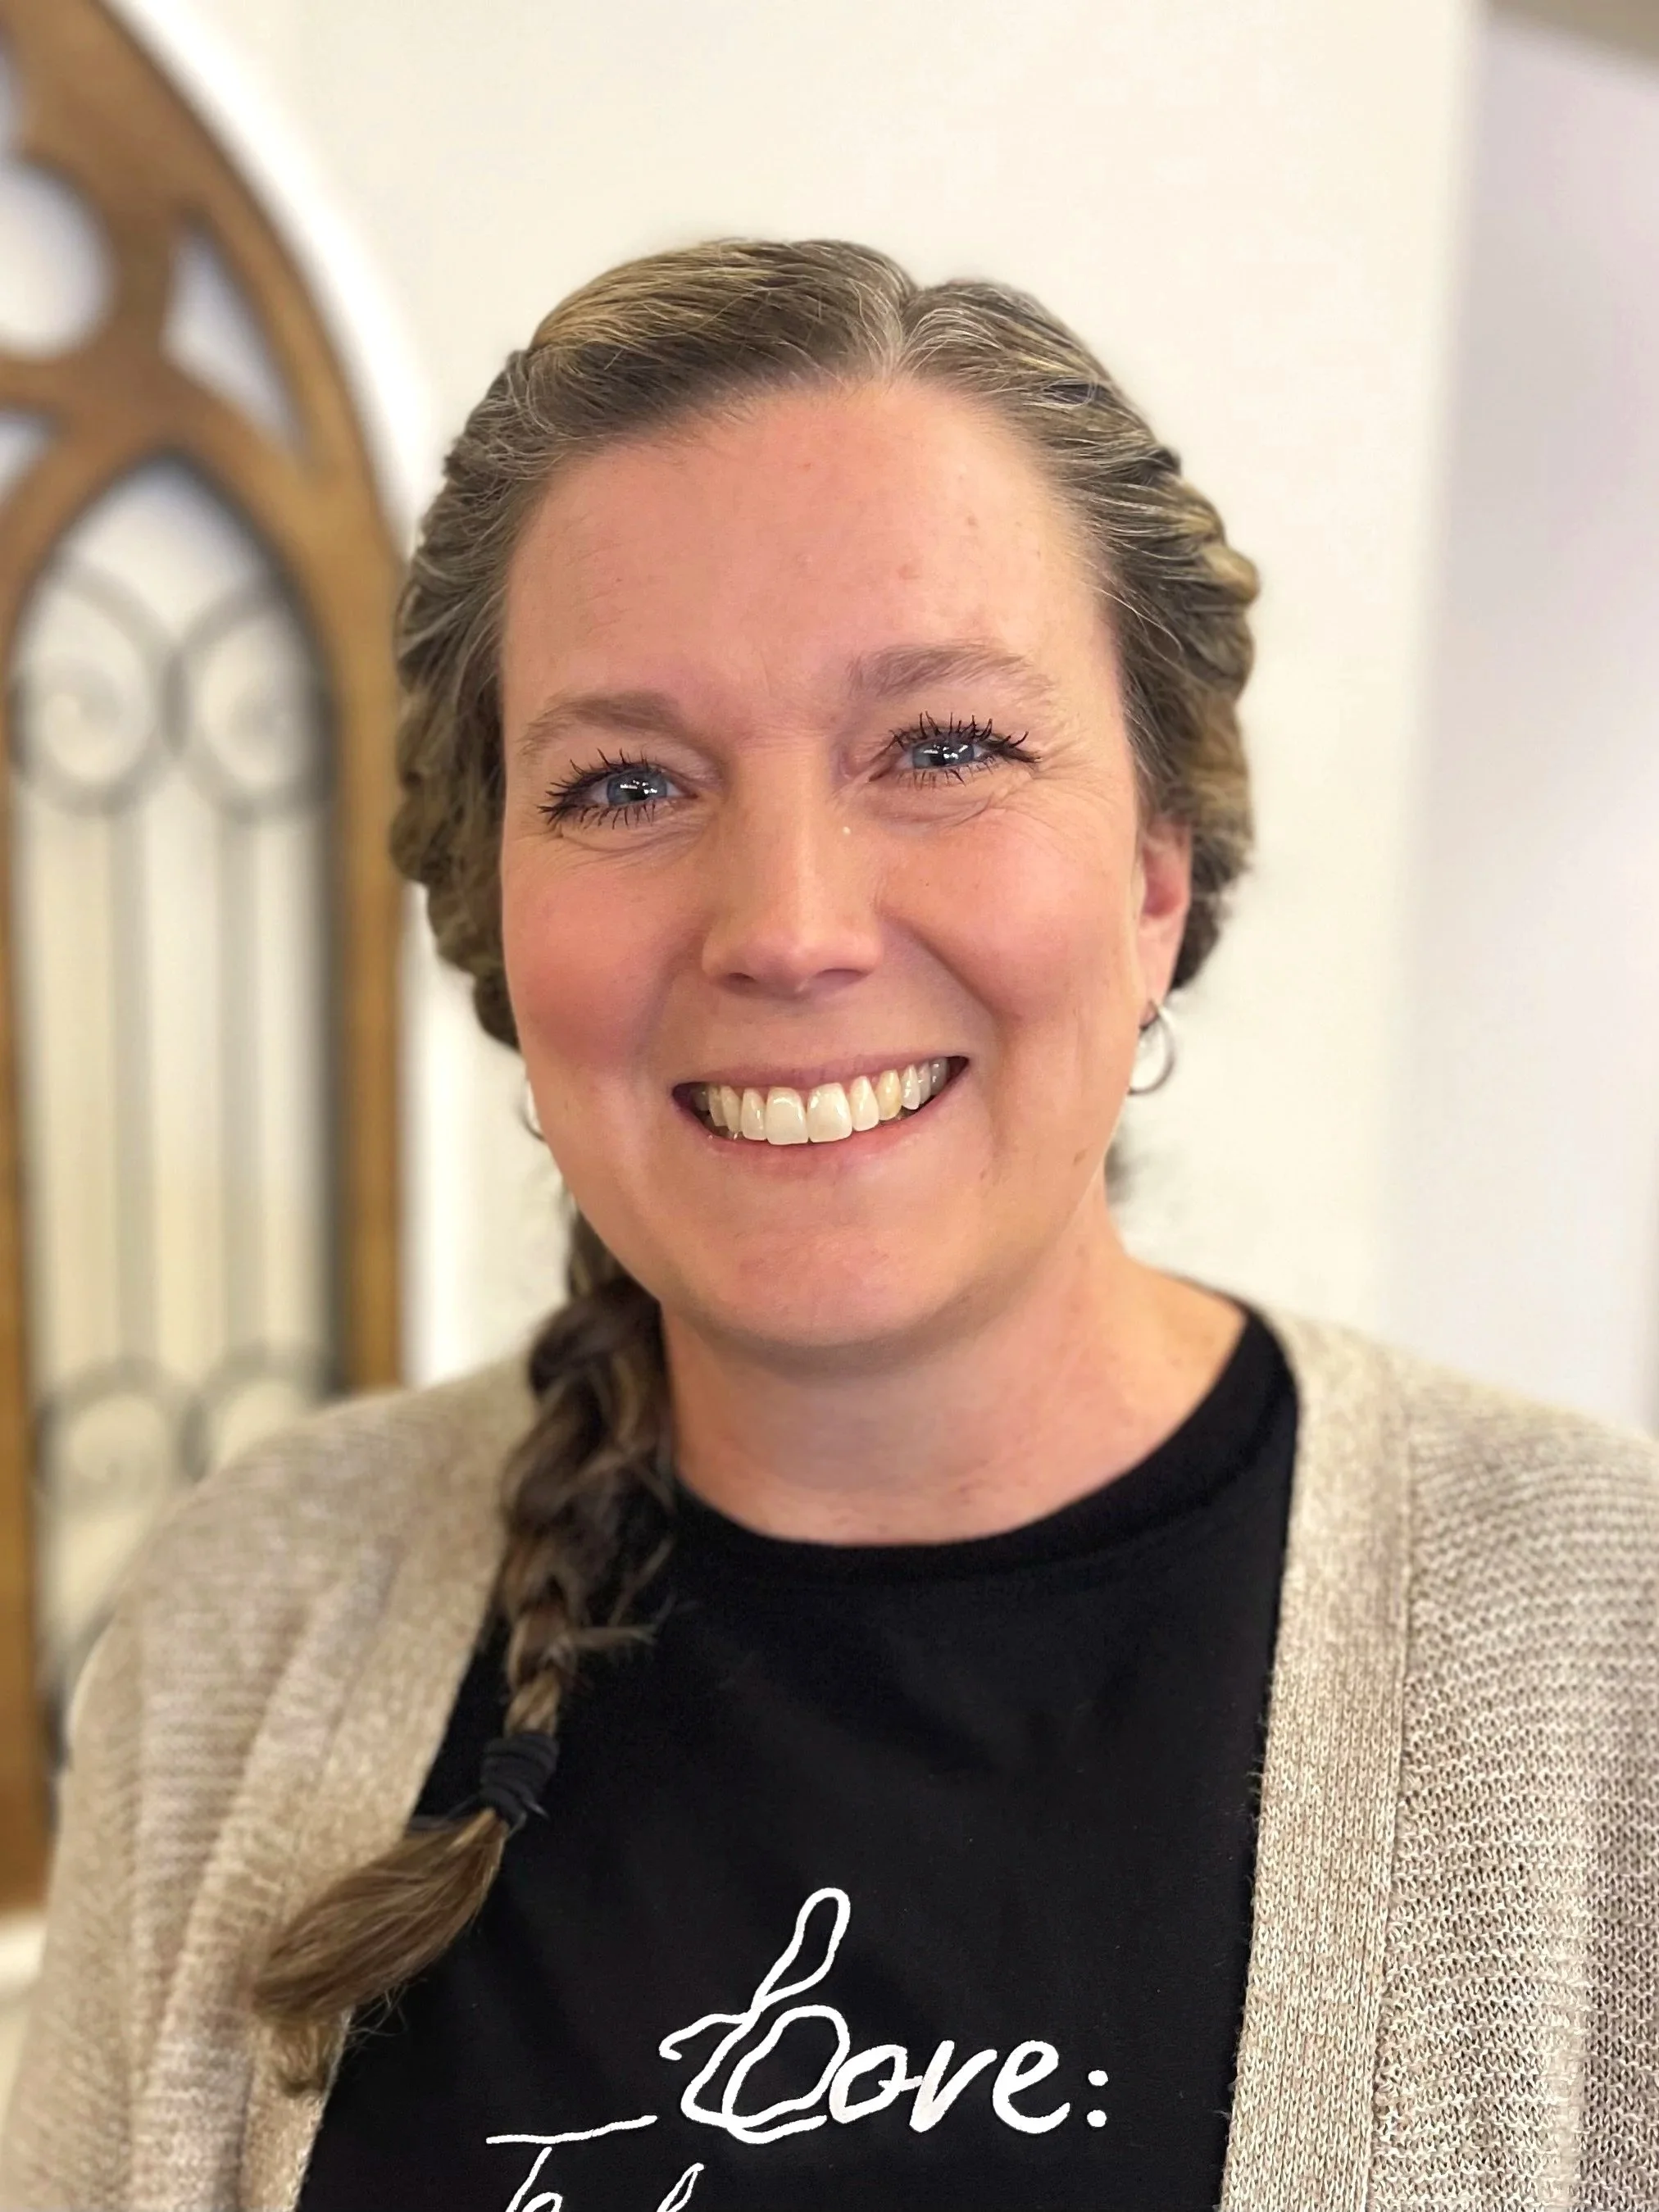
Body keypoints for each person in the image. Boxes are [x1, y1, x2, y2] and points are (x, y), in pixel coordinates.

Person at [3, 238, 1657, 2212]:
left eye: (942, 748)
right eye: (625, 781)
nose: (786, 923)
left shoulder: (1597, 1656)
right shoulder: (244, 1620)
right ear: (497, 928)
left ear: (1152, 880)